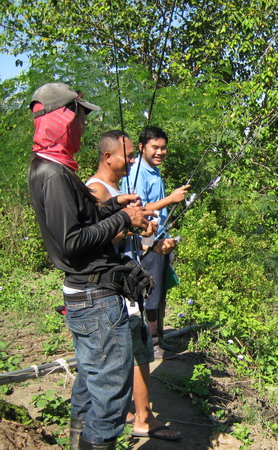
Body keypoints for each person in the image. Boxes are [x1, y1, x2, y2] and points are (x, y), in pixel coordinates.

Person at [27, 82, 156, 450]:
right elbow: (72, 243)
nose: (84, 128)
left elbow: (81, 221)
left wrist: (115, 207)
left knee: (90, 379)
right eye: (81, 119)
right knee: (112, 395)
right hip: (94, 297)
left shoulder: (55, 167)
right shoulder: (52, 174)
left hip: (87, 294)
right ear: (64, 121)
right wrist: (124, 221)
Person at [86, 130, 181, 441]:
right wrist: (128, 221)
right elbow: (89, 243)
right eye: (129, 156)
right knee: (115, 359)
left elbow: (124, 242)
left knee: (139, 351)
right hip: (106, 291)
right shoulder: (95, 191)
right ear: (108, 156)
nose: (132, 161)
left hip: (127, 281)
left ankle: (141, 417)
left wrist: (150, 243)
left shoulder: (116, 190)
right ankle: (110, 424)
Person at [124, 126, 190, 359]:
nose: (160, 152)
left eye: (163, 148)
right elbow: (137, 212)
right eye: (155, 147)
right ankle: (152, 345)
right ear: (142, 147)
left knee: (159, 290)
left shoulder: (152, 171)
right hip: (145, 239)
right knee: (151, 291)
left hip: (158, 237)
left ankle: (158, 338)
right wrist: (171, 199)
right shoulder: (137, 173)